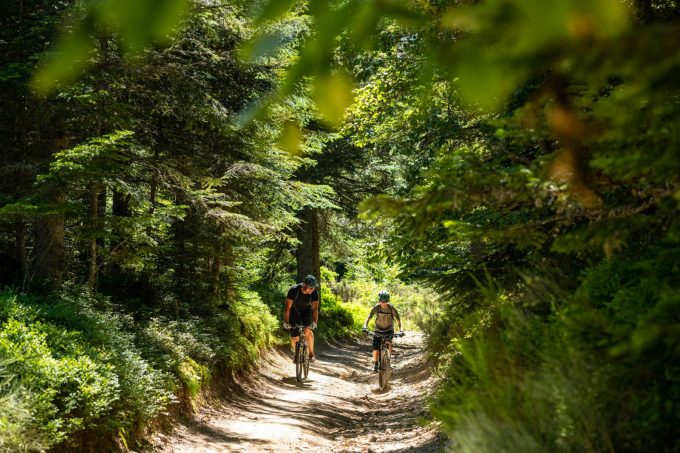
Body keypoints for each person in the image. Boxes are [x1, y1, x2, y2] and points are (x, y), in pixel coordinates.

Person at [362, 290, 403, 372]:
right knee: (376, 348)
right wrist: (364, 327)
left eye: (385, 301)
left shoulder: (392, 309)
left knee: (389, 342)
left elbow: (399, 321)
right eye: (381, 301)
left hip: (389, 330)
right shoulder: (376, 308)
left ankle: (388, 362)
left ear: (388, 301)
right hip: (378, 330)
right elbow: (368, 318)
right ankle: (375, 363)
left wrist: (401, 330)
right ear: (379, 300)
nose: (383, 303)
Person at [283, 274, 320, 363]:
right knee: (294, 336)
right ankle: (297, 353)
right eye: (310, 288)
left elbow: (315, 309)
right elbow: (288, 307)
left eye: (313, 288)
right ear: (304, 285)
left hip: (306, 310)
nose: (312, 290)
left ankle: (311, 353)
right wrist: (286, 321)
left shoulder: (314, 293)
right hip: (294, 311)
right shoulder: (294, 290)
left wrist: (314, 322)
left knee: (308, 330)